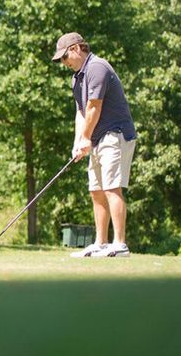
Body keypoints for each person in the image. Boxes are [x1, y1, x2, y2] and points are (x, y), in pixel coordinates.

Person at [53, 32, 136, 258]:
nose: (64, 63)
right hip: (98, 137)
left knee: (111, 187)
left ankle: (120, 244)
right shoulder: (77, 78)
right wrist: (78, 141)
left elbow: (94, 107)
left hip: (115, 134)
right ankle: (101, 243)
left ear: (77, 48)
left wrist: (86, 138)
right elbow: (81, 113)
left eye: (64, 57)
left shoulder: (97, 67)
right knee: (96, 191)